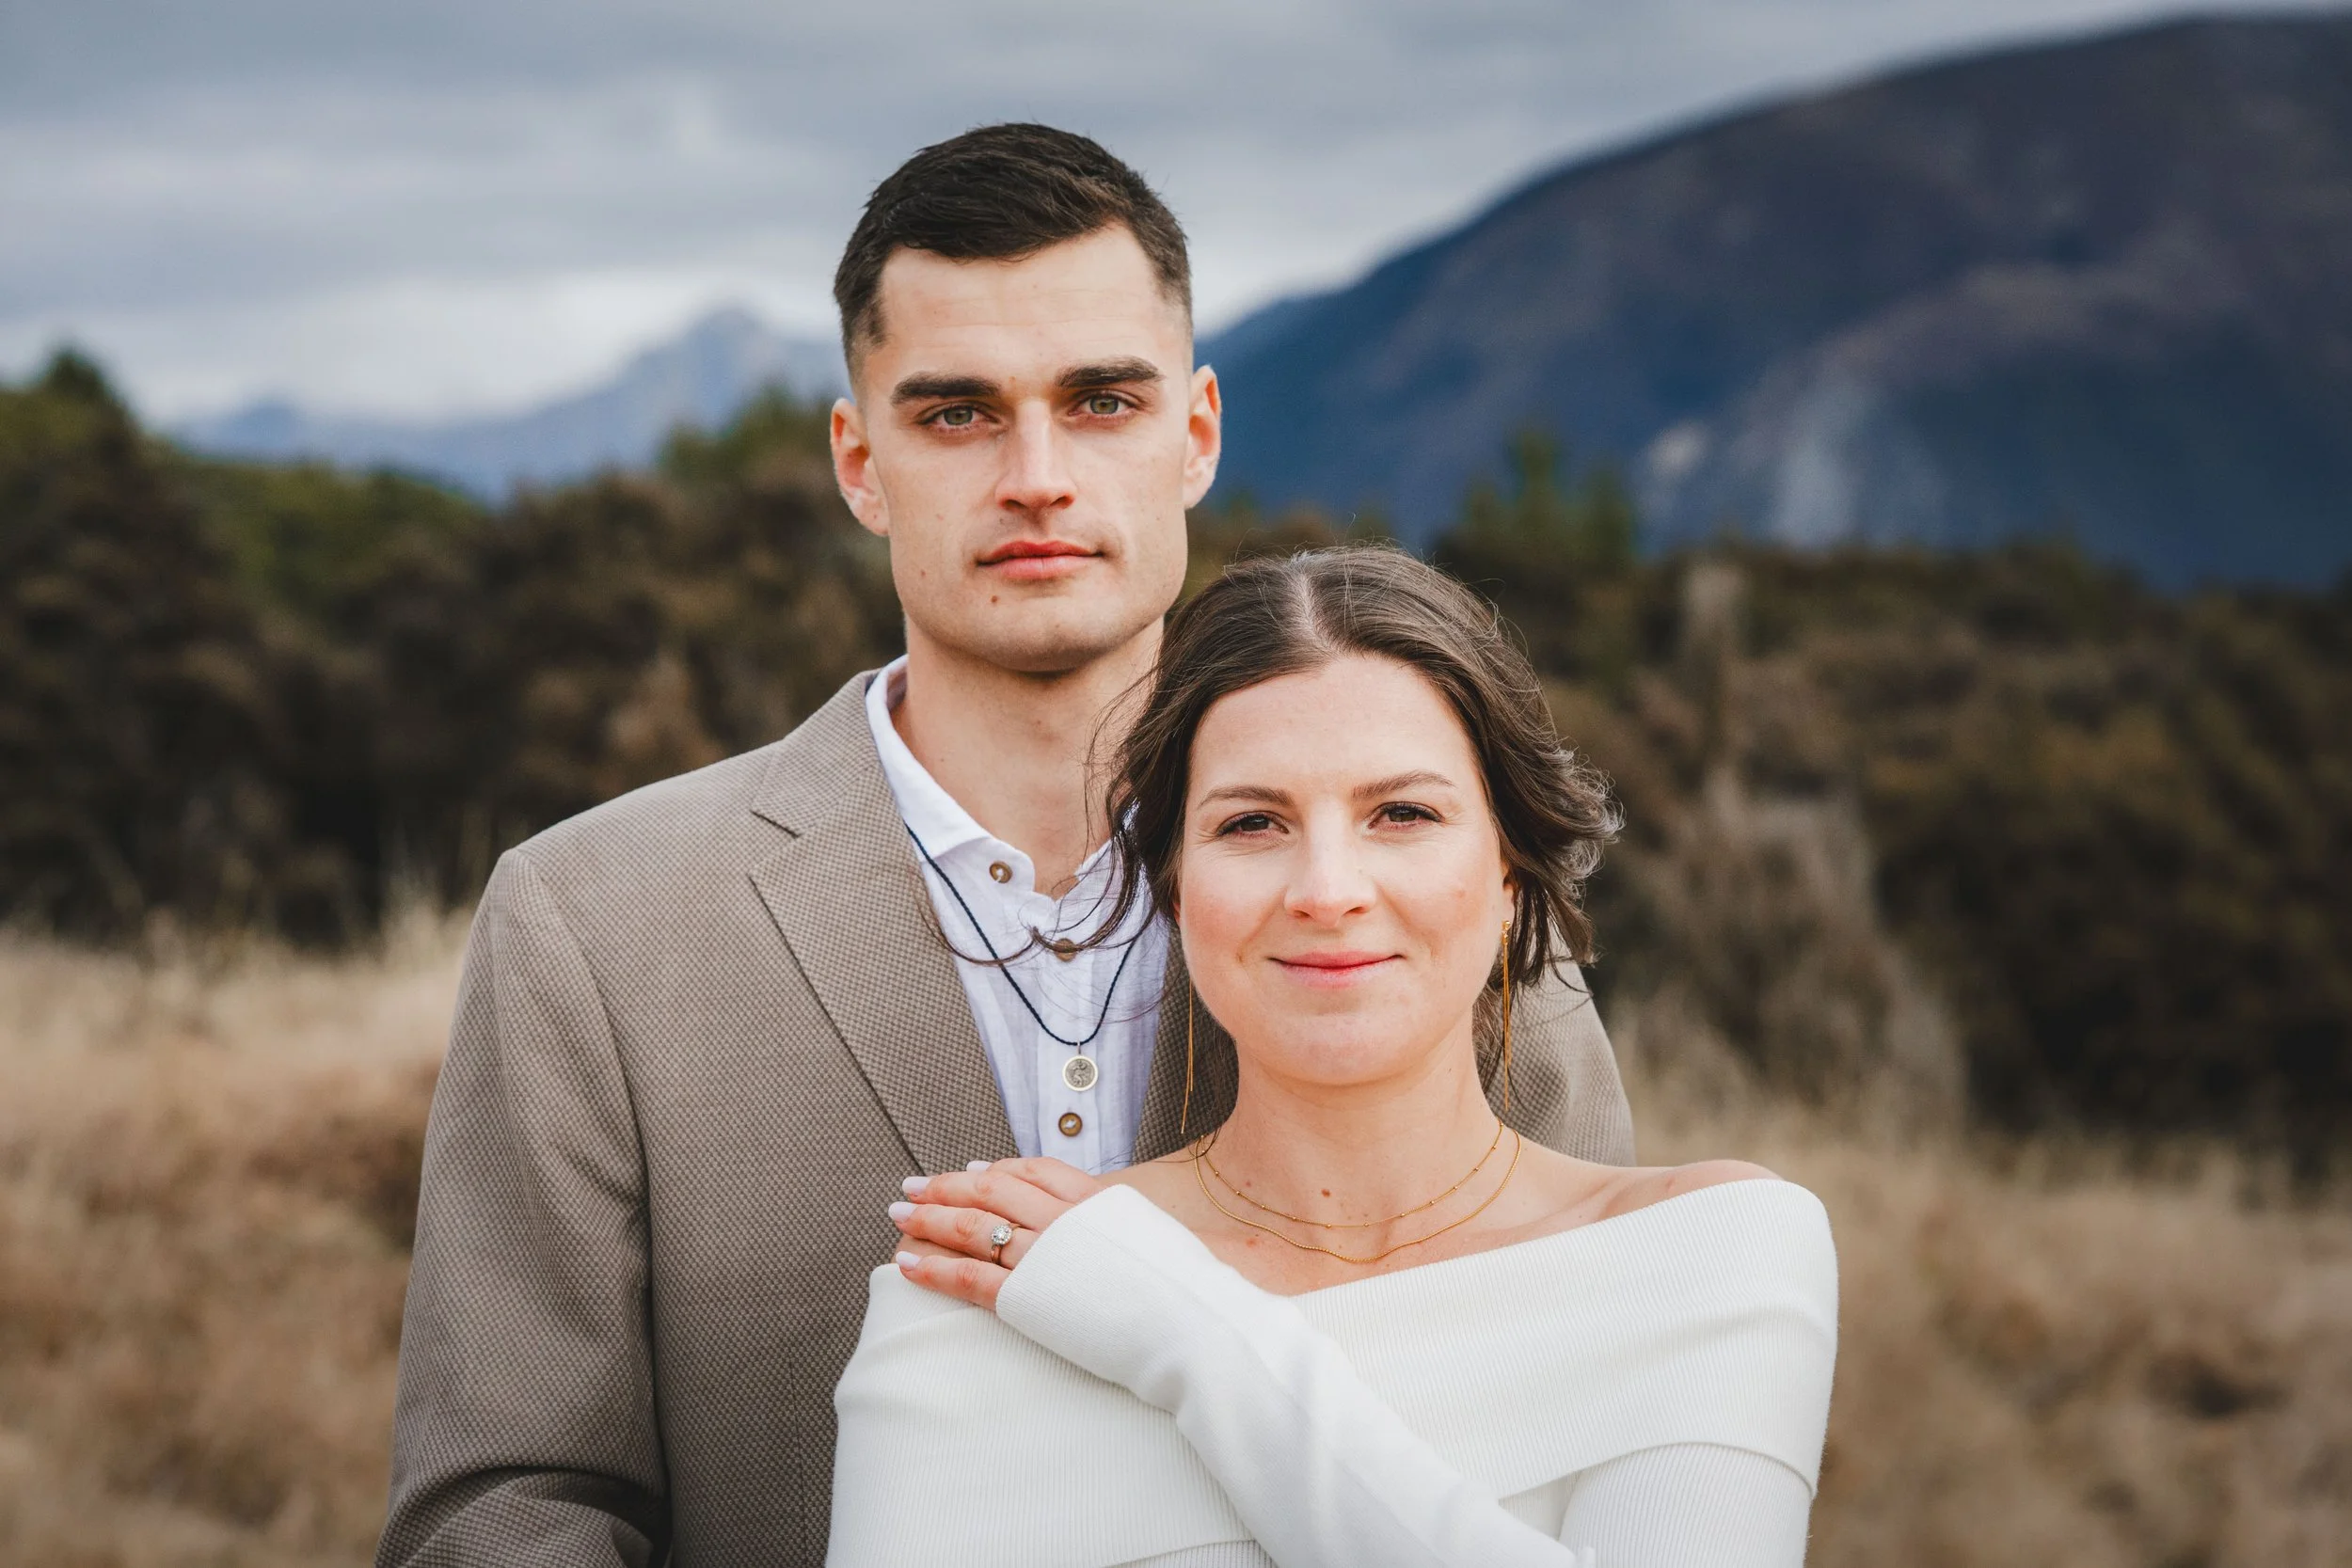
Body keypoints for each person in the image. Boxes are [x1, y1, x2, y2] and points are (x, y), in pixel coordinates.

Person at [378, 126, 1634, 1568]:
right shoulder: (592, 923)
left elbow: (1589, 1408)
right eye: (959, 413)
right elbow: (503, 1507)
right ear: (861, 459)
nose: (1037, 473)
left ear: (1198, 435)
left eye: (1101, 400)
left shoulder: (1421, 897)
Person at [832, 546, 1837, 1567]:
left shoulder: (1714, 1255)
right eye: (1252, 821)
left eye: (1402, 813)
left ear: (1510, 872)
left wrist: (1191, 1332)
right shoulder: (971, 1300)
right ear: (1177, 887)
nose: (1326, 887)